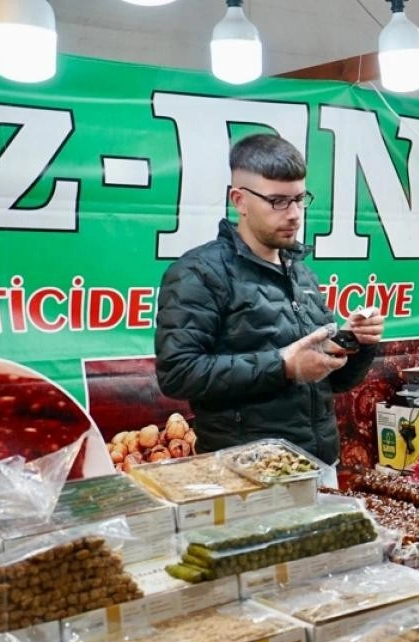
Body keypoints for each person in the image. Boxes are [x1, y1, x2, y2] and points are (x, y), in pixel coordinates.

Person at [154, 133, 382, 463]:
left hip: (319, 465)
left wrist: (356, 342)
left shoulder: (300, 273)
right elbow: (178, 373)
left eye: (299, 199)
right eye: (277, 201)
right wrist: (283, 366)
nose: (293, 214)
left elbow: (336, 382)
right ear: (240, 200)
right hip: (245, 475)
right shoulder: (199, 272)